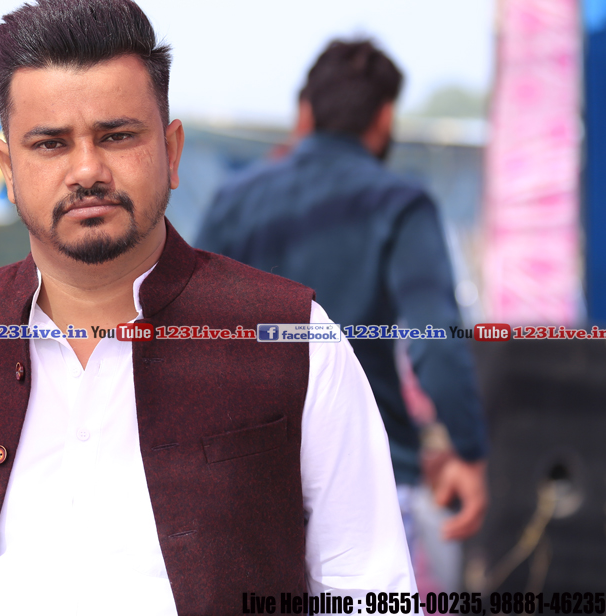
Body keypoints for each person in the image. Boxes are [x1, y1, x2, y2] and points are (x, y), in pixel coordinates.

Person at [0, 0, 415, 616]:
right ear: (8, 168)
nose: (87, 170)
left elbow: (368, 592)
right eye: (50, 144)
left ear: (172, 151)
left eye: (117, 136)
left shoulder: (291, 338)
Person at [196, 40, 489, 557]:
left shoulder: (234, 198)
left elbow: (193, 332)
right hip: (368, 477)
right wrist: (468, 450)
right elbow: (433, 341)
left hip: (248, 478)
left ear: (306, 111)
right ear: (385, 116)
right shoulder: (401, 203)